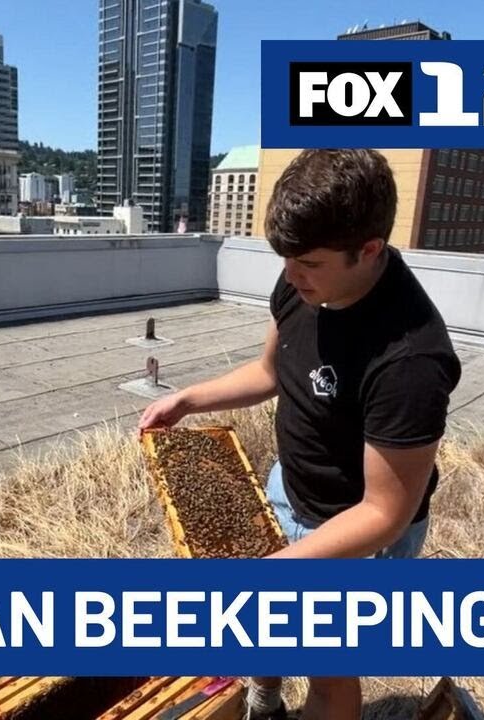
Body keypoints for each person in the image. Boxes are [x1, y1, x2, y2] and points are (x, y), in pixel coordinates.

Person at [138, 149, 462, 720]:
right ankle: (263, 700)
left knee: (329, 672)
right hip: (288, 488)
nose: (289, 274)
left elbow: (385, 512)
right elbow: (271, 371)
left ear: (368, 250)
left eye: (307, 261)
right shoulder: (304, 280)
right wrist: (189, 399)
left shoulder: (410, 359)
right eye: (284, 257)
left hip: (354, 530)